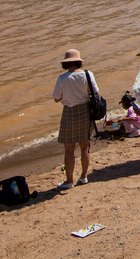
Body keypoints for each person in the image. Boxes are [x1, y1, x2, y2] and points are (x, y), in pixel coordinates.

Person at [52, 49, 98, 188]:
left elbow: (56, 98)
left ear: (65, 64)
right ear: (79, 62)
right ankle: (84, 176)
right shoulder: (87, 75)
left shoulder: (62, 78)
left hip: (69, 112)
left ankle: (69, 180)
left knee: (69, 149)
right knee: (85, 147)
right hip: (85, 110)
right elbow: (95, 92)